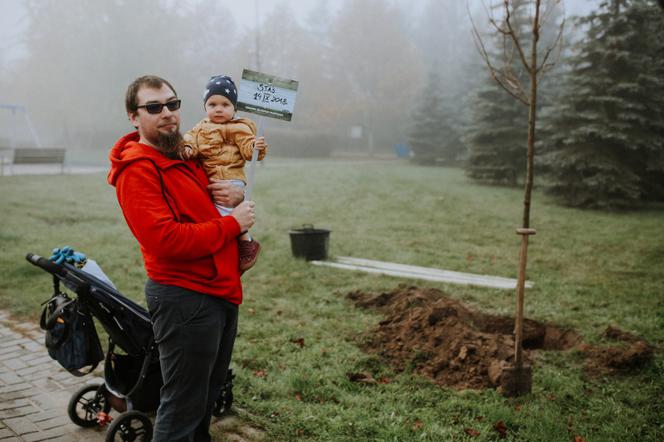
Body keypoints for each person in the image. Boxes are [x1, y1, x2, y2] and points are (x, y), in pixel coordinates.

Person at [108, 75, 251, 442]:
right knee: (182, 405)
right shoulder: (138, 169)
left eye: (173, 103)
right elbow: (166, 240)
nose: (168, 113)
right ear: (133, 117)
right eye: (154, 107)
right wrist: (232, 226)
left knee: (205, 398)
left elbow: (208, 208)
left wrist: (230, 200)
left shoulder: (184, 155)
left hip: (219, 290)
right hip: (185, 298)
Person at [180, 75, 268, 273]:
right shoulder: (199, 128)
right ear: (205, 107)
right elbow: (189, 139)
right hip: (209, 179)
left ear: (234, 108)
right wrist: (186, 148)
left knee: (226, 215)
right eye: (212, 104)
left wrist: (255, 146)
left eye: (225, 104)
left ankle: (246, 243)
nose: (218, 109)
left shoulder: (239, 127)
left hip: (230, 179)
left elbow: (247, 149)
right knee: (210, 216)